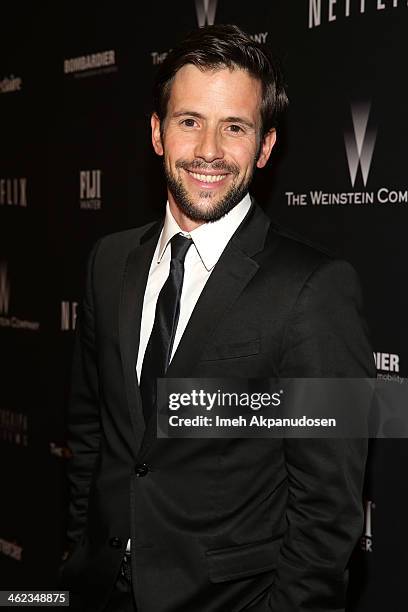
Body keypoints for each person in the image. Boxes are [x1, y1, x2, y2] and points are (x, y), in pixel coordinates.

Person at [60, 24, 375, 612]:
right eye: (189, 121)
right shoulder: (109, 261)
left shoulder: (317, 288)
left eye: (234, 126)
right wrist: (83, 554)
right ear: (157, 132)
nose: (208, 149)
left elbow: (329, 510)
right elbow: (92, 431)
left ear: (265, 146)